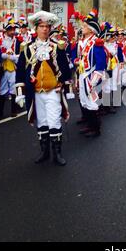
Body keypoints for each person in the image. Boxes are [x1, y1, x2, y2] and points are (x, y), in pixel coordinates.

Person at [15, 11, 73, 166]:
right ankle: (44, 152)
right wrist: (20, 93)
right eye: (41, 26)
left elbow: (66, 70)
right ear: (36, 28)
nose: (45, 29)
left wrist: (64, 85)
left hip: (54, 91)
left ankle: (57, 153)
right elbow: (20, 70)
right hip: (36, 93)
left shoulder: (57, 47)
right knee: (42, 122)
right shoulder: (27, 48)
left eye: (47, 26)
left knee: (54, 121)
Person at [77, 9, 107, 138]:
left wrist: (93, 82)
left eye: (85, 26)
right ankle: (89, 125)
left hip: (91, 77)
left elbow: (101, 64)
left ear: (91, 29)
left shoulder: (97, 42)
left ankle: (96, 128)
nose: (82, 28)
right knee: (85, 101)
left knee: (93, 102)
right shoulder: (86, 41)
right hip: (83, 75)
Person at [0, 15, 22, 118]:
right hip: (3, 68)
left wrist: (15, 57)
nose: (12, 31)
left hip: (14, 68)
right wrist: (4, 56)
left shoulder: (18, 41)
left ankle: (13, 110)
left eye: (13, 29)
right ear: (6, 30)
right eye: (10, 29)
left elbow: (21, 54)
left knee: (13, 89)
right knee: (2, 89)